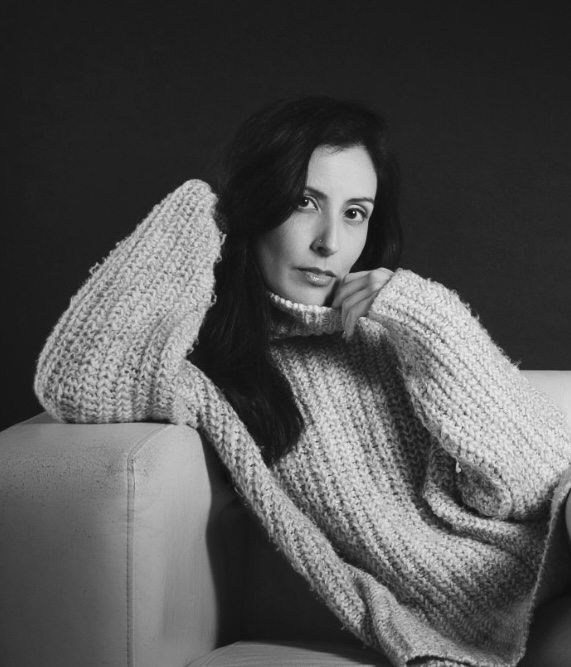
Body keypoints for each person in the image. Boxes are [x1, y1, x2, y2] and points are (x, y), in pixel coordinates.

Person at [34, 95, 571, 666]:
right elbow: (76, 380)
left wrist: (430, 318)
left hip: (552, 546)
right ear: (256, 204)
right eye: (303, 202)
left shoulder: (393, 330)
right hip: (494, 612)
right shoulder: (210, 372)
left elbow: (540, 480)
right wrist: (200, 209)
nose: (329, 242)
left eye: (355, 213)